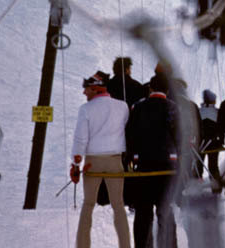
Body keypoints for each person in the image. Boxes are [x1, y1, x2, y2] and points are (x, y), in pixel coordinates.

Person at [71, 73, 132, 248]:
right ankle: (125, 245)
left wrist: (76, 164)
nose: (84, 92)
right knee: (118, 205)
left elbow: (80, 139)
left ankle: (82, 245)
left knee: (88, 204)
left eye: (86, 88)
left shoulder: (86, 109)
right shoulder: (123, 107)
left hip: (93, 161)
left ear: (95, 88)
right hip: (115, 160)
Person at [125, 73, 178, 248]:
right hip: (168, 165)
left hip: (144, 166)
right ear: (168, 90)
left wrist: (132, 157)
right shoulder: (173, 108)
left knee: (143, 213)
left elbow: (130, 135)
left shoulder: (138, 108)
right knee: (165, 211)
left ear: (150, 88)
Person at [199, 89, 223, 190]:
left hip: (201, 143)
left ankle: (197, 187)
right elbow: (221, 128)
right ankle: (216, 188)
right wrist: (221, 141)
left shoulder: (199, 111)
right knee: (213, 166)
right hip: (214, 142)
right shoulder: (217, 112)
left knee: (198, 165)